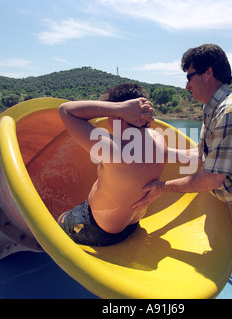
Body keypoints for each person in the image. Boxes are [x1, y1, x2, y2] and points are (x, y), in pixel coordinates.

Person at [133, 44, 232, 299]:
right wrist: (163, 154)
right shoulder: (213, 109)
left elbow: (212, 177)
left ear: (208, 73)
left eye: (189, 76)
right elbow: (205, 159)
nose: (186, 86)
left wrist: (162, 188)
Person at [58, 84, 166, 246]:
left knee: (59, 220)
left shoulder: (114, 151)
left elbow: (66, 110)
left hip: (98, 229)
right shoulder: (158, 139)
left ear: (119, 115)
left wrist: (118, 108)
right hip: (132, 224)